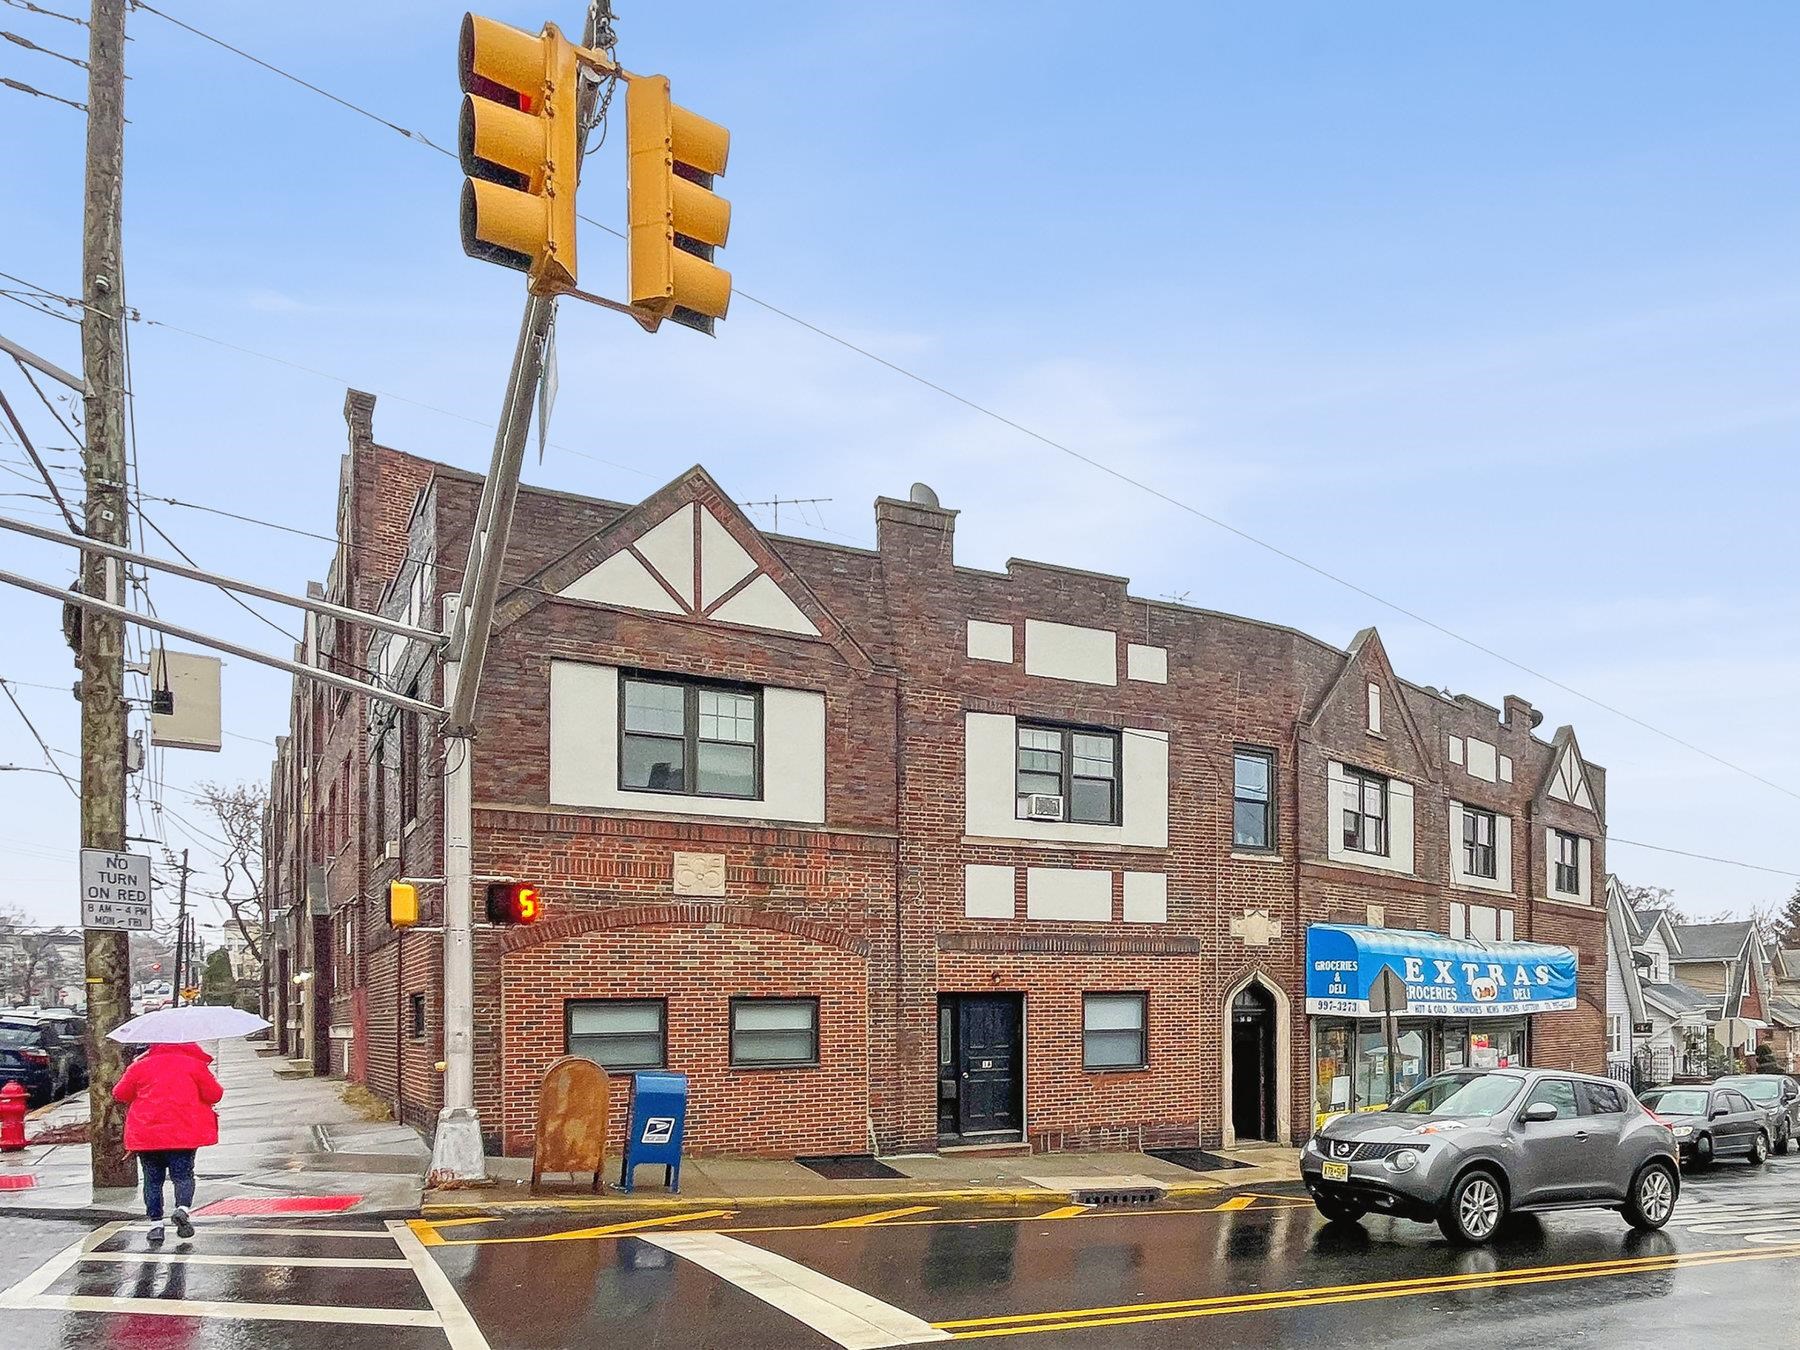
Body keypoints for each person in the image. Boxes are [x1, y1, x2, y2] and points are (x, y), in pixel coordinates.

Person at [112, 1041, 223, 1244]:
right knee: (183, 1176)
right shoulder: (193, 1064)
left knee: (152, 1180)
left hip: (147, 1133)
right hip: (184, 1132)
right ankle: (182, 1209)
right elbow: (214, 1094)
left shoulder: (140, 1066)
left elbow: (120, 1094)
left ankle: (156, 1225)